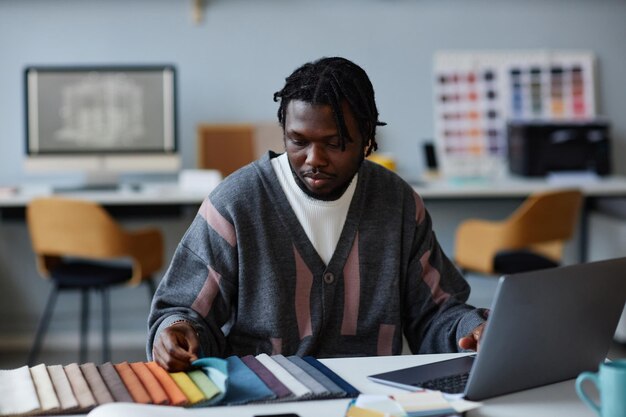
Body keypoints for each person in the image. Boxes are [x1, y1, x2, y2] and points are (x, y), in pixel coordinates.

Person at [148, 57, 487, 372]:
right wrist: (175, 332)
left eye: (334, 143)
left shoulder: (398, 203)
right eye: (298, 141)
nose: (313, 159)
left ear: (367, 138)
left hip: (372, 398)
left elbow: (436, 313)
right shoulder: (235, 204)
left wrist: (472, 329)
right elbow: (183, 313)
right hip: (265, 396)